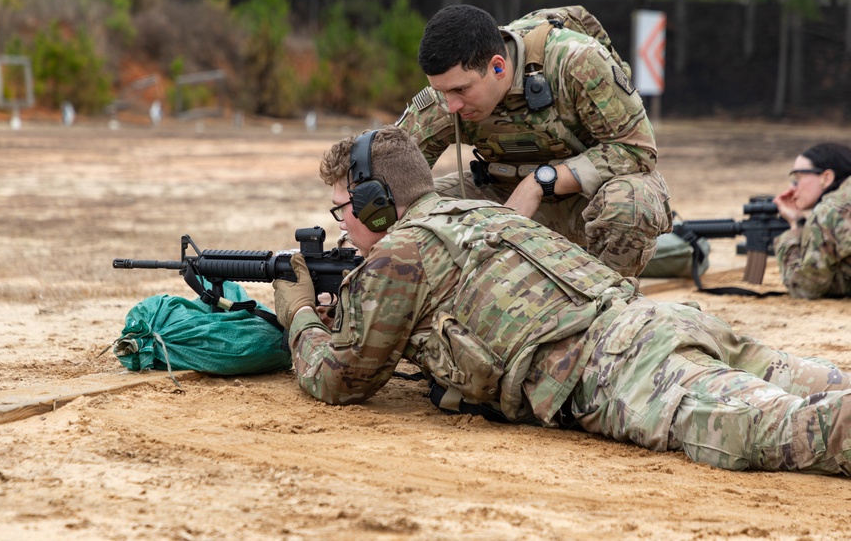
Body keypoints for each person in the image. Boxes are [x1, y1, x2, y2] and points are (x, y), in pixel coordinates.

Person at [272, 126, 851, 475]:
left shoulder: (400, 253)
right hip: (659, 323)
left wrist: (298, 311)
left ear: (374, 202)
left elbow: (340, 380)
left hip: (620, 368)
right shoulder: (481, 213)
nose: (341, 226)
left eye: (342, 208)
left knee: (796, 431)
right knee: (826, 384)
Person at [396, 4, 672, 277]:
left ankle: (611, 301)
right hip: (501, 197)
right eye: (441, 91)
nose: (451, 104)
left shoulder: (576, 61)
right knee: (410, 212)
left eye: (461, 90)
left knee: (631, 202)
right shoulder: (447, 93)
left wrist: (541, 182)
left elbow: (637, 149)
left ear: (498, 67)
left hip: (584, 202)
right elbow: (389, 167)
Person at [772, 142, 851, 299]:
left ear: (826, 178)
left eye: (797, 179)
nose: (792, 188)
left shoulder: (829, 210)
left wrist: (794, 229)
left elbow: (805, 288)